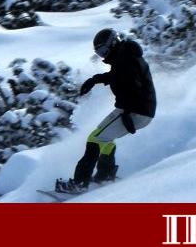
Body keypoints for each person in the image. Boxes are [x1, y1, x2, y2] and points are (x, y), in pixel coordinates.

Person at [55, 29, 157, 193]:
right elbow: (118, 76)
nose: (103, 55)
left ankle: (80, 183)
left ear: (113, 43)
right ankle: (105, 174)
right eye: (99, 52)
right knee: (103, 137)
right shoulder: (124, 57)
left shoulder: (126, 59)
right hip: (136, 110)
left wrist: (127, 115)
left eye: (104, 50)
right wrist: (94, 80)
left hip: (135, 111)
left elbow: (134, 87)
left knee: (94, 139)